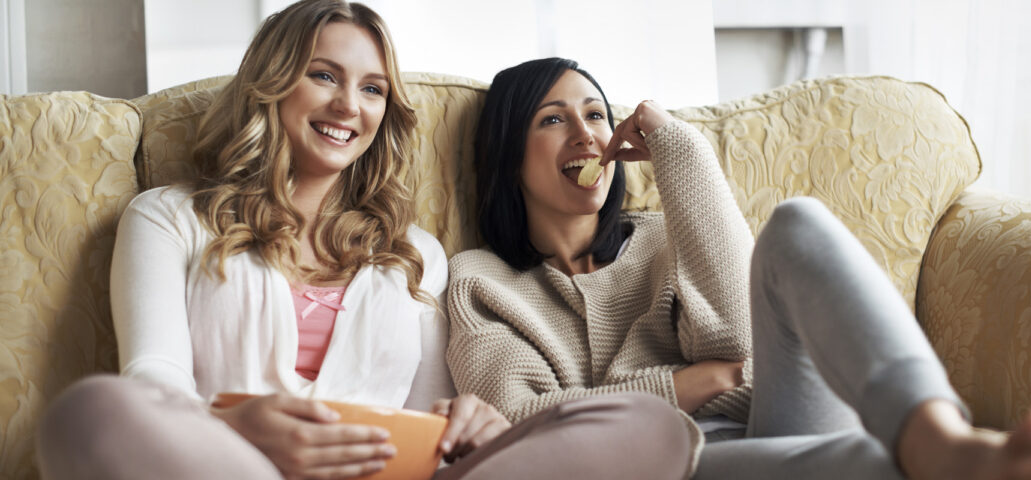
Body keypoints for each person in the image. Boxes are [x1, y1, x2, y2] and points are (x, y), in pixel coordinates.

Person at [34, 5, 691, 480]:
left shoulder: (414, 254)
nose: (350, 104)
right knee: (91, 411)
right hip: (228, 465)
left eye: (372, 89)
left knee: (648, 424)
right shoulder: (167, 219)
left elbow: (426, 416)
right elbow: (154, 382)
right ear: (273, 82)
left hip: (388, 475)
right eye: (325, 76)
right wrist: (230, 425)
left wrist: (466, 421)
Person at [446, 56, 1031, 480]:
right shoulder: (482, 281)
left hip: (783, 414)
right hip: (675, 467)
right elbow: (514, 421)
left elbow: (742, 343)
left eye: (596, 114)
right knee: (863, 468)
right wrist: (687, 384)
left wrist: (679, 147)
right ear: (509, 152)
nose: (588, 134)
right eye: (553, 119)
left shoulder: (666, 235)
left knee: (799, 223)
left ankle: (941, 435)